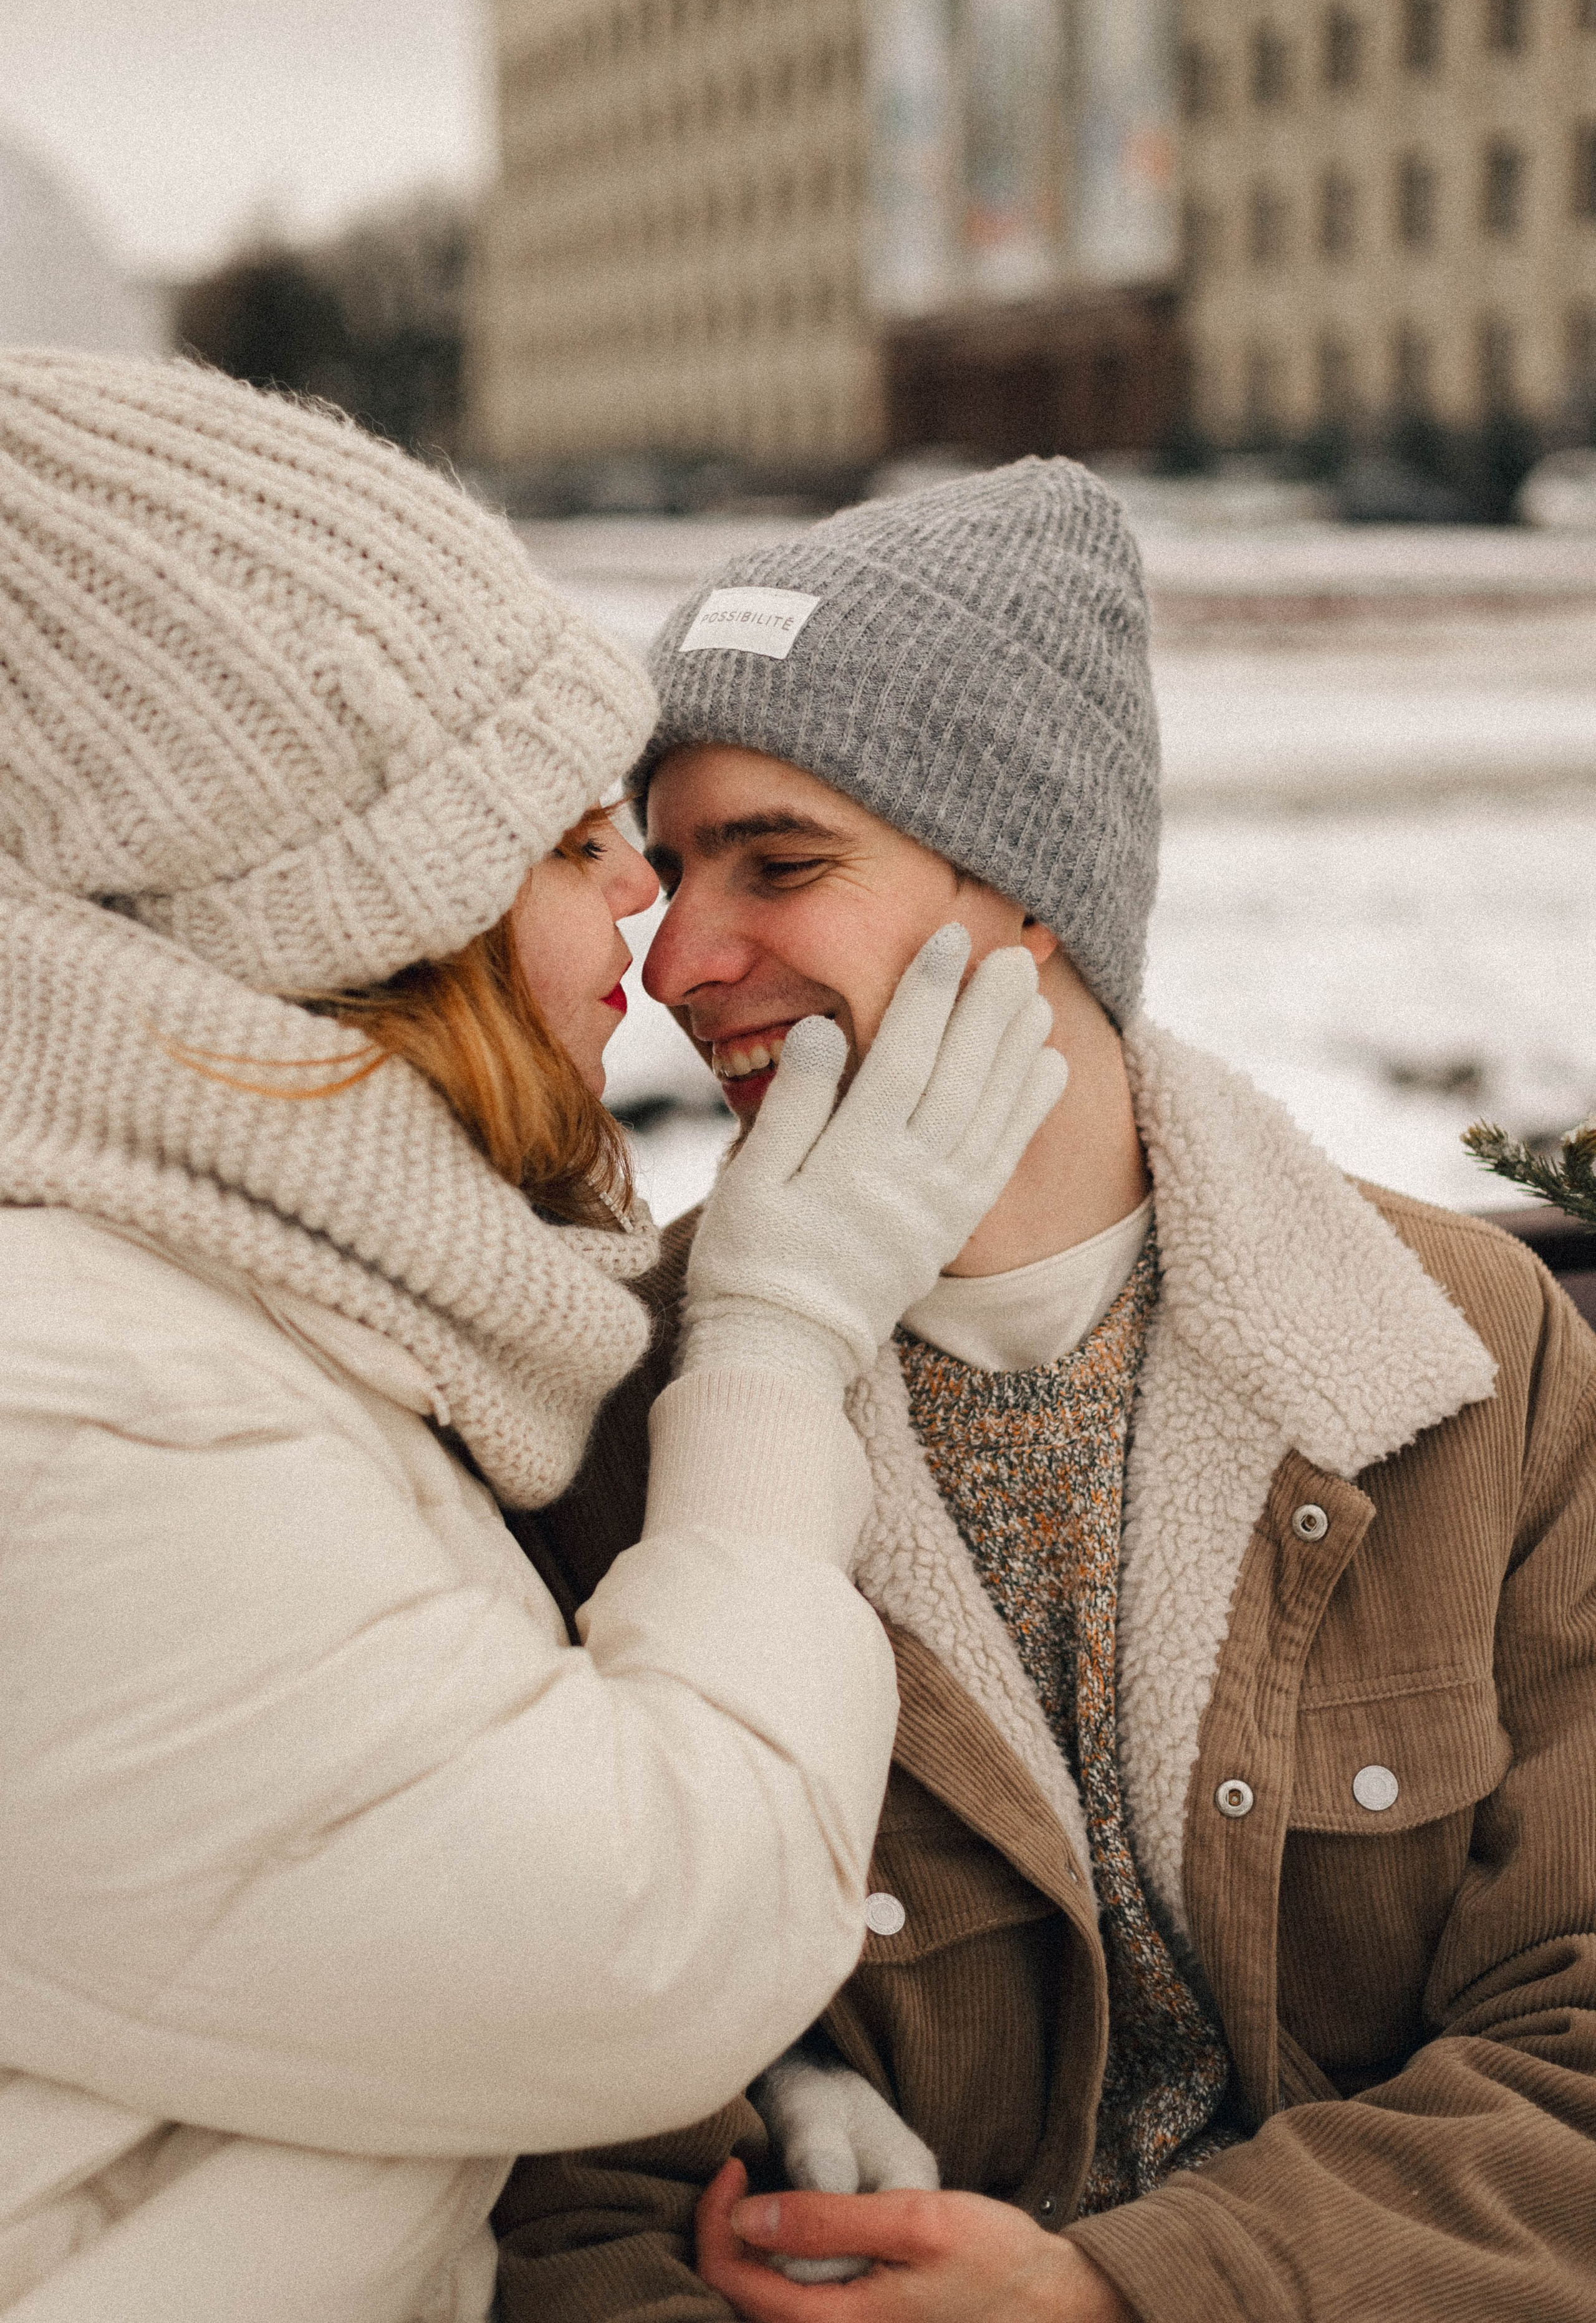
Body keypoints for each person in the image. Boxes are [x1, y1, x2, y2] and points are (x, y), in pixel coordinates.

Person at [0, 356, 1064, 2322]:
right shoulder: (85, 1404)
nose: (652, 914)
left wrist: (780, 2072)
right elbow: (642, 1940)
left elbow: (352, 1892)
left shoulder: (268, 1317)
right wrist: (772, 1349)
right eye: (579, 842)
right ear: (340, 921)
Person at [493, 459, 1596, 2323]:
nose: (675, 961)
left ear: (1026, 883)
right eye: (667, 872)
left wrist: (1121, 2298)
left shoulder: (1464, 1353)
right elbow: (568, 2182)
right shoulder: (608, 1408)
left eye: (780, 863)